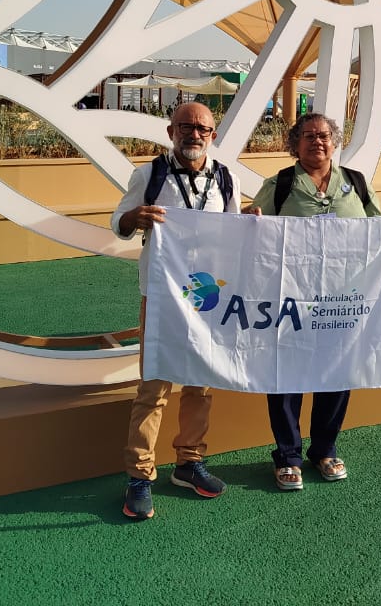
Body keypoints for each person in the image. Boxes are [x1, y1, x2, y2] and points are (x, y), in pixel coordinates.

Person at [244, 113, 381, 491]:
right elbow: (254, 236)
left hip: (343, 303)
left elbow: (378, 230)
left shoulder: (355, 183)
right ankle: (288, 454)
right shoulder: (280, 185)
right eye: (307, 136)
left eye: (323, 135)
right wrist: (250, 219)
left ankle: (324, 448)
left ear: (334, 142)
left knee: (338, 371)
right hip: (291, 303)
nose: (316, 142)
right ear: (295, 144)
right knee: (285, 375)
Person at [111, 102, 239, 520]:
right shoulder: (148, 175)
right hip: (162, 295)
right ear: (171, 131)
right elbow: (119, 223)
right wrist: (135, 216)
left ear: (213, 136)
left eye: (202, 128)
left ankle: (188, 463)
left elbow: (235, 231)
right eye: (186, 126)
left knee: (201, 383)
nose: (194, 134)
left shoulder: (225, 178)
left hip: (207, 298)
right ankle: (140, 476)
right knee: (154, 387)